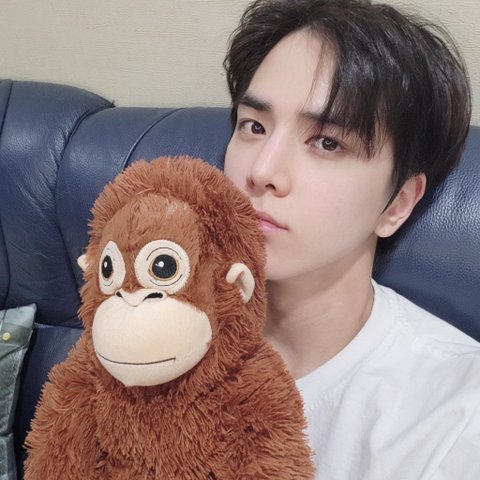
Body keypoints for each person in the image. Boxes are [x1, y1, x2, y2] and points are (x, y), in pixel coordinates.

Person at [222, 0, 480, 478]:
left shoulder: (456, 421)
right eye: (253, 126)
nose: (261, 171)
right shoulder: (159, 317)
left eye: (328, 142)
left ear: (398, 203)